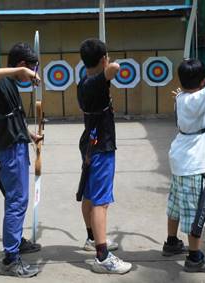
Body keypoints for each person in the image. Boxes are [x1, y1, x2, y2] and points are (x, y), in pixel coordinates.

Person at [0, 42, 43, 278]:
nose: (32, 76)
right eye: (31, 70)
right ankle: (10, 258)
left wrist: (30, 135)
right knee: (16, 202)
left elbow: (14, 116)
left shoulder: (12, 85)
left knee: (19, 199)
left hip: (17, 144)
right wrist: (19, 73)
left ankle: (17, 242)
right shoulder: (2, 80)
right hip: (10, 150)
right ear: (21, 66)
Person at [164, 58, 205, 272]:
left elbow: (189, 92)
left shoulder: (181, 97)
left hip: (179, 159)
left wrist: (193, 87)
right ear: (200, 82)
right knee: (194, 212)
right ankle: (194, 258)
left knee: (175, 204)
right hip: (192, 163)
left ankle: (172, 242)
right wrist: (203, 87)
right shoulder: (197, 98)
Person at [77, 38, 132, 274]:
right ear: (102, 59)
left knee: (90, 195)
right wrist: (108, 64)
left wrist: (103, 61)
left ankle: (92, 239)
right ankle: (102, 256)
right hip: (101, 147)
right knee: (101, 201)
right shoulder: (96, 82)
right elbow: (115, 69)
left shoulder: (84, 80)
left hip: (91, 143)